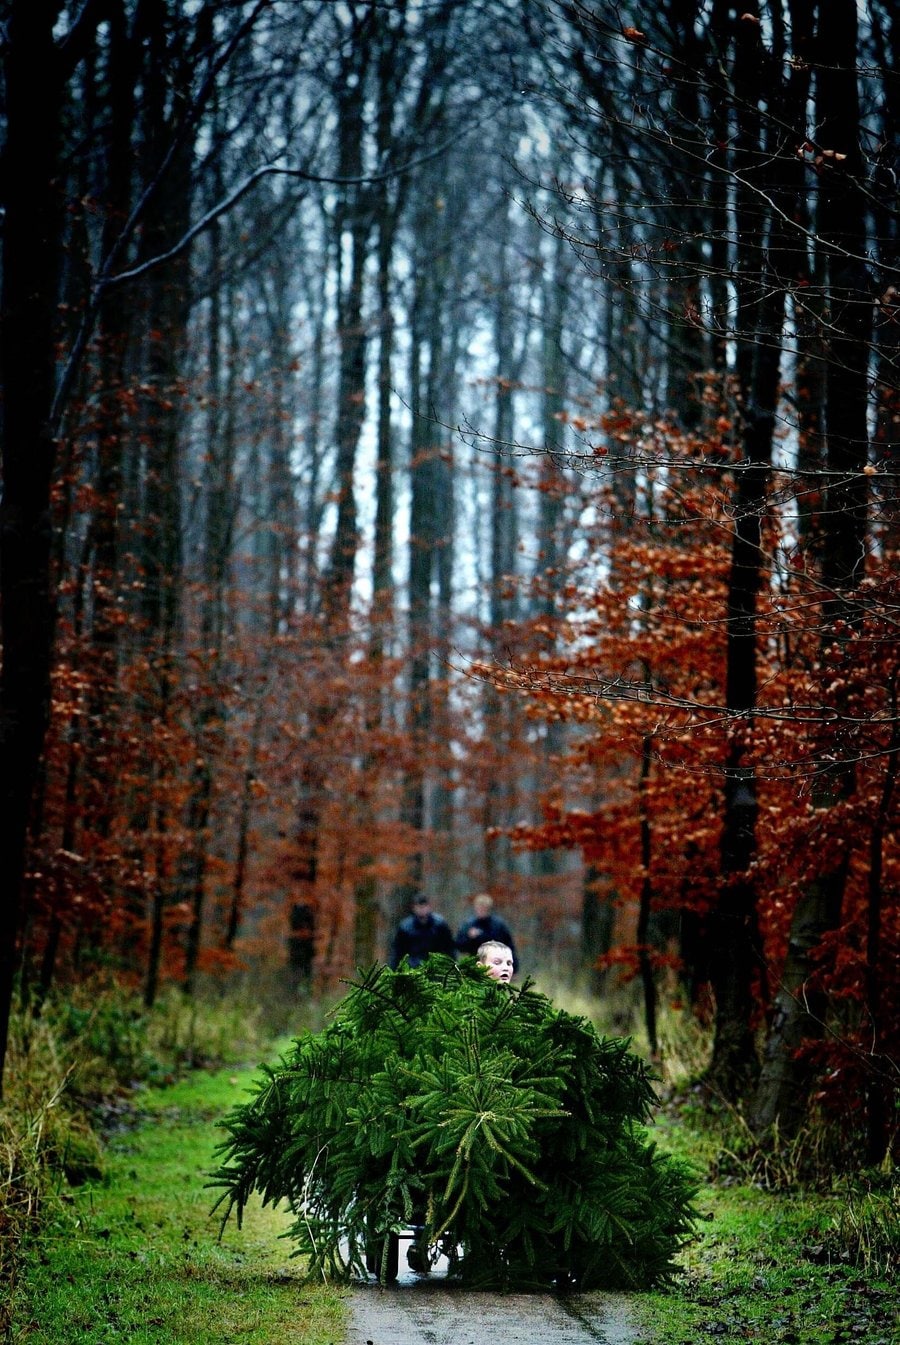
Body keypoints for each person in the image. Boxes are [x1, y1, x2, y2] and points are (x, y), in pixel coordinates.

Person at [389, 894, 456, 969]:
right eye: (419, 907)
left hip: (435, 966)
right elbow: (398, 951)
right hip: (412, 967)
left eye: (424, 906)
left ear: (429, 907)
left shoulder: (440, 925)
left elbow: (449, 948)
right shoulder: (405, 927)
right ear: (414, 908)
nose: (422, 909)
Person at [455, 893, 518, 971]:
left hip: (496, 965)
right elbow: (459, 946)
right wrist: (469, 938)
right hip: (474, 965)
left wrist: (513, 966)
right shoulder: (468, 925)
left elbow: (509, 946)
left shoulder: (498, 925)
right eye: (479, 908)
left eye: (484, 908)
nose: (481, 911)